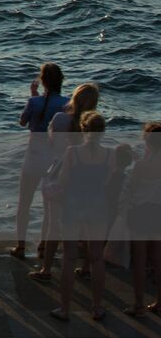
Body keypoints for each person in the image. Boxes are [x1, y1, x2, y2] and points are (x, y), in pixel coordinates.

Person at [50, 110, 115, 323]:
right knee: (96, 258)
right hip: (97, 207)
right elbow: (109, 186)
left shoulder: (72, 153)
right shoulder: (109, 155)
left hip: (73, 205)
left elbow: (63, 182)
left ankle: (65, 309)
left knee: (69, 259)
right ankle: (97, 308)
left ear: (83, 129)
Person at [31, 80, 101, 281]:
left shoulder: (60, 118)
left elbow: (52, 143)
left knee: (54, 224)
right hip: (86, 177)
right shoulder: (94, 124)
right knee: (86, 224)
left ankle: (46, 269)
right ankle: (87, 267)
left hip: (60, 172)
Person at [11, 62, 66, 260]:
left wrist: (33, 96)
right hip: (53, 160)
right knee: (48, 207)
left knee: (24, 202)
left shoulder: (34, 103)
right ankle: (43, 245)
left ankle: (20, 246)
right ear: (61, 80)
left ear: (43, 82)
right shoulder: (67, 104)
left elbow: (23, 121)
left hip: (33, 157)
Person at [121, 123, 161, 317]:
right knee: (158, 258)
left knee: (139, 259)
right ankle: (159, 302)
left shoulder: (142, 164)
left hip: (141, 212)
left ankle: (138, 304)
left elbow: (132, 188)